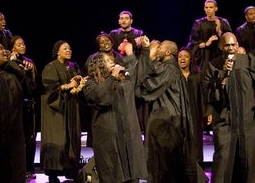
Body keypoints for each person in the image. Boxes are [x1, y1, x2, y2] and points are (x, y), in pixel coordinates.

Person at [136, 39, 208, 183]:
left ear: (167, 52)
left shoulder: (168, 69)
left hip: (166, 126)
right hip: (169, 123)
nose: (157, 49)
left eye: (160, 47)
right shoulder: (170, 69)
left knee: (164, 169)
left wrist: (146, 52)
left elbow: (144, 87)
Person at [82, 40, 149, 183]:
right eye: (107, 60)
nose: (112, 61)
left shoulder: (122, 81)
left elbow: (136, 72)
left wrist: (138, 51)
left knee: (132, 175)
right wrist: (111, 77)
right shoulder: (90, 84)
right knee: (113, 175)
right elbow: (100, 98)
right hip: (109, 139)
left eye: (111, 59)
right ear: (99, 65)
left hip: (127, 137)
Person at [202, 32, 255, 183]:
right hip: (225, 123)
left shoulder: (249, 61)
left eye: (233, 45)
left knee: (248, 164)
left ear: (238, 45)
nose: (231, 48)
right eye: (227, 45)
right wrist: (223, 76)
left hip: (247, 124)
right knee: (224, 164)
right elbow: (209, 97)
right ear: (220, 47)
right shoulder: (212, 66)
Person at [40, 40, 85, 183]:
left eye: (70, 48)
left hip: (71, 107)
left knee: (72, 136)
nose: (68, 50)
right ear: (57, 52)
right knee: (58, 137)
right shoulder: (51, 67)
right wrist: (66, 86)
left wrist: (79, 81)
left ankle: (70, 170)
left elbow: (77, 84)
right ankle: (53, 172)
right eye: (65, 48)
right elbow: (48, 88)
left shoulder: (73, 66)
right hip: (56, 109)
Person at [0, 42, 25, 183]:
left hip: (10, 140)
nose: (5, 51)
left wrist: (13, 64)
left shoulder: (10, 76)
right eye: (0, 49)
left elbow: (29, 88)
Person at [109, 11, 148, 138]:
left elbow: (144, 51)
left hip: (134, 68)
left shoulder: (138, 33)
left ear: (131, 20)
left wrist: (138, 46)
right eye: (121, 18)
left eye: (126, 18)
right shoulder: (114, 34)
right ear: (118, 21)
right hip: (119, 68)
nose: (124, 20)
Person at [8, 35, 38, 180]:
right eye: (19, 44)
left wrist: (31, 71)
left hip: (28, 102)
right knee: (19, 137)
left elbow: (32, 86)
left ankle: (30, 168)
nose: (23, 46)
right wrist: (14, 63)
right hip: (15, 103)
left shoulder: (29, 62)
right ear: (12, 47)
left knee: (30, 137)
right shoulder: (9, 62)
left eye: (23, 44)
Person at [177, 47, 205, 165]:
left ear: (190, 60)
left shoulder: (197, 76)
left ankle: (198, 168)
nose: (182, 59)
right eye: (180, 56)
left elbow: (202, 96)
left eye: (186, 57)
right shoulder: (174, 76)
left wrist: (206, 112)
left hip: (194, 113)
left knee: (195, 139)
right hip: (179, 114)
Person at [187, 0, 232, 72]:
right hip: (204, 57)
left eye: (211, 7)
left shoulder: (223, 22)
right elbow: (193, 43)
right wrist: (206, 43)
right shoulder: (199, 23)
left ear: (216, 8)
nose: (208, 9)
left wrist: (219, 30)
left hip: (219, 55)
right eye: (206, 7)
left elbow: (228, 40)